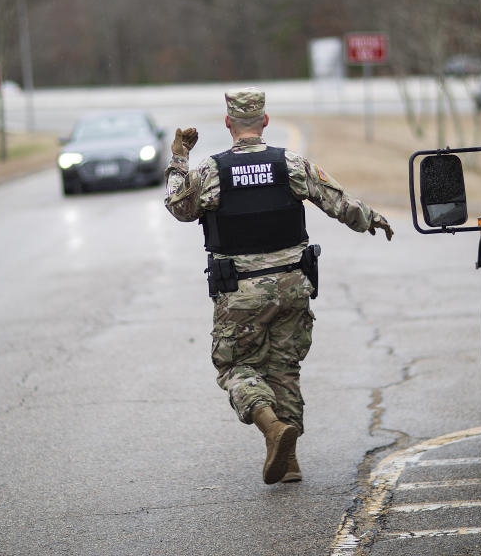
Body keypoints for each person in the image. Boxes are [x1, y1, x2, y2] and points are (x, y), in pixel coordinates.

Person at [164, 87, 393, 485]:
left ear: (228, 123)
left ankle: (272, 429)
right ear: (265, 121)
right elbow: (339, 202)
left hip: (242, 293)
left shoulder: (212, 171)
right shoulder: (291, 164)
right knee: (284, 368)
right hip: (293, 286)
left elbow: (178, 206)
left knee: (235, 366)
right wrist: (373, 219)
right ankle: (289, 462)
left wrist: (179, 158)